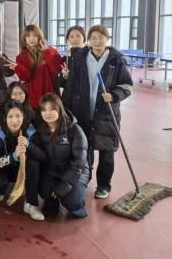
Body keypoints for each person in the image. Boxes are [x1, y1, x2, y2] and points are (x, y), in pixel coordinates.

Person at [63, 25, 133, 199]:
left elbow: (127, 85)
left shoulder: (116, 60)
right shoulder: (80, 58)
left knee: (106, 150)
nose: (97, 41)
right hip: (82, 111)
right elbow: (71, 85)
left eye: (101, 37)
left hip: (106, 113)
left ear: (107, 39)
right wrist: (66, 108)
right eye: (93, 37)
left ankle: (103, 185)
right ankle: (84, 179)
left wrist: (114, 95)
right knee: (84, 148)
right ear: (89, 40)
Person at [28, 93, 89, 219]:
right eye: (44, 110)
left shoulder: (74, 130)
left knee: (71, 201)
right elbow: (41, 156)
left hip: (77, 172)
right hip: (54, 171)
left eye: (52, 109)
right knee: (45, 191)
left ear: (59, 109)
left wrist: (61, 187)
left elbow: (78, 163)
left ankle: (78, 206)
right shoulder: (40, 130)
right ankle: (53, 201)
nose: (48, 113)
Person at [0, 101, 43, 220]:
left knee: (34, 164)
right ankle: (0, 189)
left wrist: (29, 145)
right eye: (10, 117)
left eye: (18, 116)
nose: (15, 121)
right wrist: (14, 156)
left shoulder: (31, 131)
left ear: (23, 116)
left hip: (24, 170)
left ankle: (32, 203)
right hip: (4, 169)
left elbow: (42, 156)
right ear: (5, 118)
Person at [12, 25, 62, 109]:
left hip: (51, 91)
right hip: (33, 96)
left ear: (39, 37)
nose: (31, 39)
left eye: (34, 35)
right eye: (28, 36)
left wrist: (47, 52)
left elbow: (56, 69)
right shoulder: (21, 56)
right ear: (24, 38)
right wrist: (18, 68)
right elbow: (25, 77)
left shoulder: (51, 50)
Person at [59, 26, 86, 95]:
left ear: (84, 38)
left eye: (78, 36)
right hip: (69, 96)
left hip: (84, 95)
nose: (75, 39)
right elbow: (61, 83)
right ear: (68, 40)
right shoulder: (66, 58)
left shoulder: (88, 55)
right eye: (71, 37)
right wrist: (65, 76)